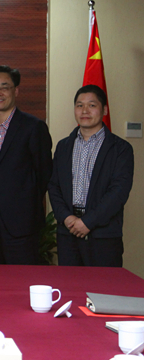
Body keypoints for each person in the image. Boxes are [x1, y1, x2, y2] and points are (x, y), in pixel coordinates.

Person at [0, 66, 53, 264]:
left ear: (16, 91)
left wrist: (23, 206)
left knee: (21, 278)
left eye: (5, 87)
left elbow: (44, 174)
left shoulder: (33, 127)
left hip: (20, 222)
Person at [49, 85, 134, 267]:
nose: (85, 110)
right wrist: (67, 218)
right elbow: (54, 186)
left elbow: (118, 192)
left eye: (92, 105)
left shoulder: (120, 149)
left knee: (103, 285)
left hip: (103, 236)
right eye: (79, 105)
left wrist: (88, 222)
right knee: (69, 283)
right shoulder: (63, 146)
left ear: (105, 110)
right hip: (68, 233)